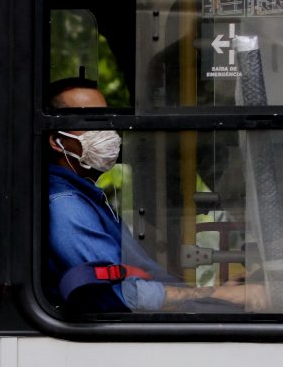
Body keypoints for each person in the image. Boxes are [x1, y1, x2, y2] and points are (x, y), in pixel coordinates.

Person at [46, 78, 267, 312]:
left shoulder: (89, 198)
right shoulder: (65, 206)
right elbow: (123, 295)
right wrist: (220, 294)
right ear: (57, 142)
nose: (106, 131)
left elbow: (143, 282)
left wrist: (216, 294)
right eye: (91, 121)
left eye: (106, 119)